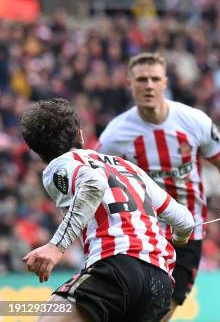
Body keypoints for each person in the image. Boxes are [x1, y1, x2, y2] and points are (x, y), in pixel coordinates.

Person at [97, 52, 220, 321]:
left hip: (188, 231)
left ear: (165, 83)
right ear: (129, 83)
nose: (148, 85)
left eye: (155, 79)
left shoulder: (194, 121)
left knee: (165, 308)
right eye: (141, 79)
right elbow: (98, 184)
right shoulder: (115, 135)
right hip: (142, 233)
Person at [20, 98, 195, 322]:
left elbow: (93, 183)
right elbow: (185, 221)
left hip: (117, 267)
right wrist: (179, 237)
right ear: (80, 136)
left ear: (37, 152)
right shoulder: (126, 167)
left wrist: (56, 247)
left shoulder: (60, 166)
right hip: (159, 284)